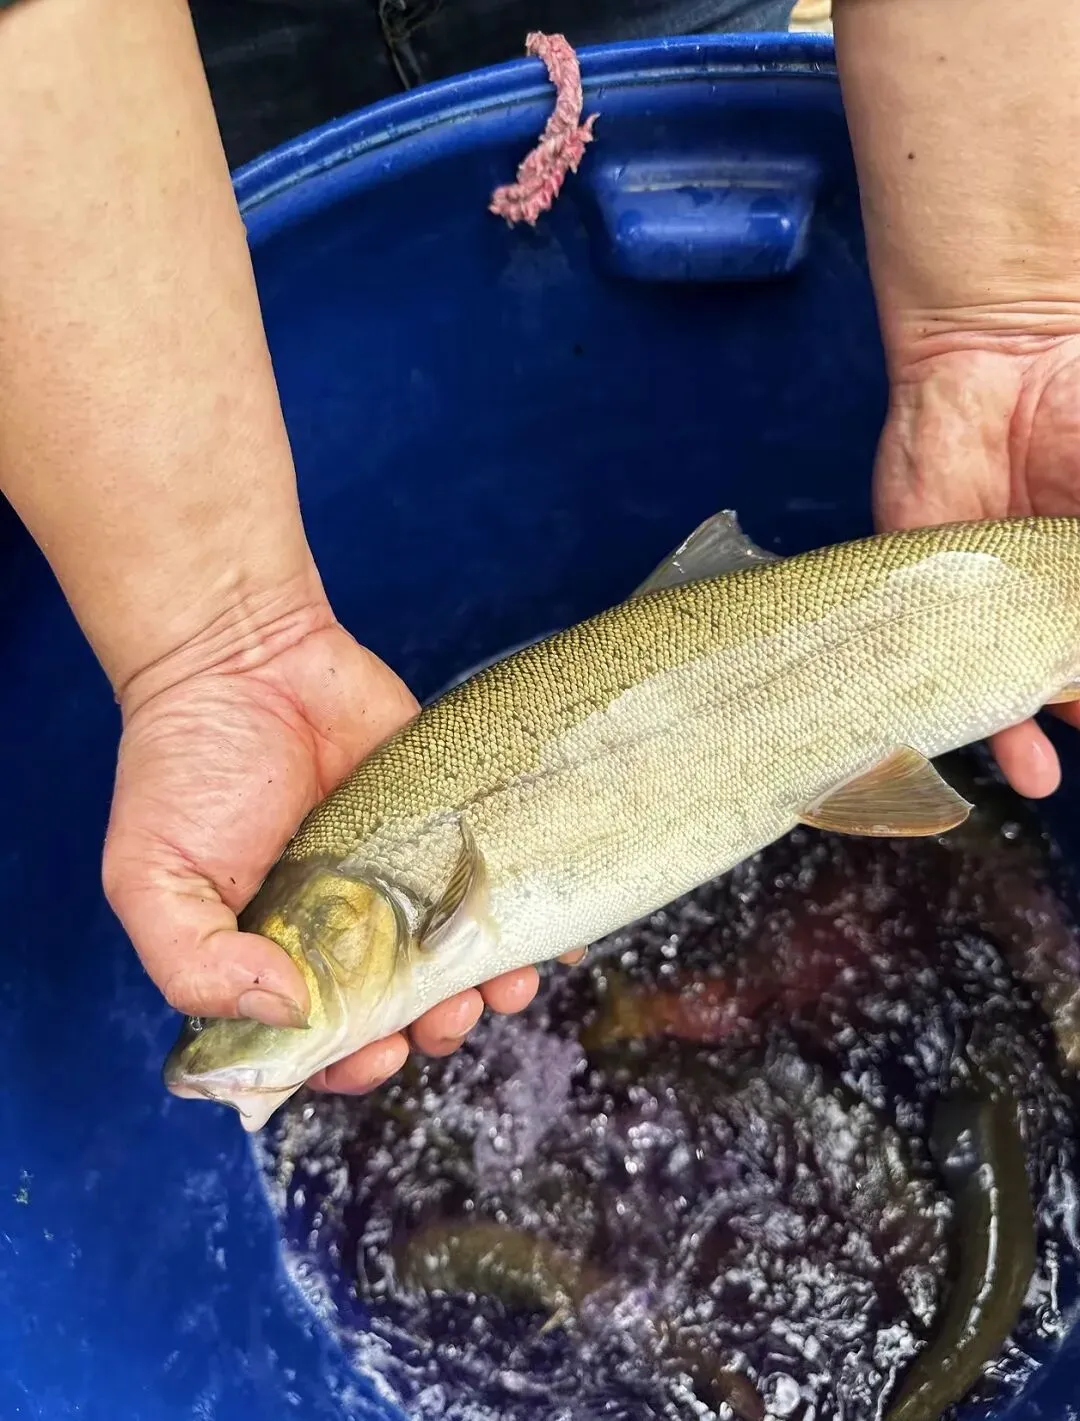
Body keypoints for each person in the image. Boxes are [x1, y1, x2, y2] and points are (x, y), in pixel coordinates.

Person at [1, 0, 1078, 1099]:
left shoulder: (406, 905)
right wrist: (210, 642)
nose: (234, 1015)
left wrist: (1016, 318)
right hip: (135, 140)